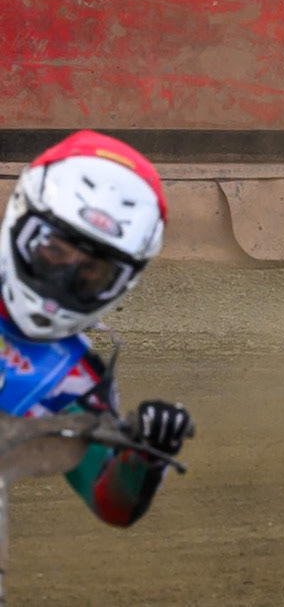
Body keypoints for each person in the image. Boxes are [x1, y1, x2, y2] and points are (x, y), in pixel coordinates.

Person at [0, 131, 194, 525]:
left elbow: (110, 500)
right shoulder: (76, 377)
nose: (60, 282)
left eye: (89, 272)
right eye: (54, 252)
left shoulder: (76, 379)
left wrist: (144, 452)